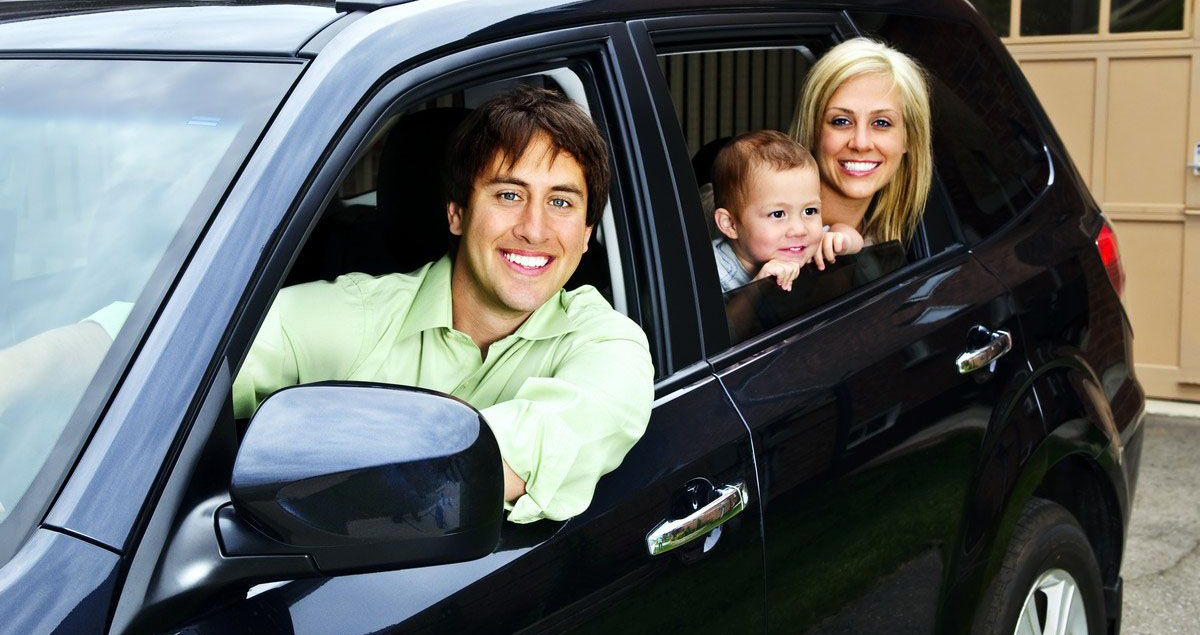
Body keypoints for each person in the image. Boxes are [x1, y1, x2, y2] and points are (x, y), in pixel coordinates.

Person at [232, 87, 653, 524]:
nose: (534, 229)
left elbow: (486, 463)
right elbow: (188, 377)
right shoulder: (354, 313)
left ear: (586, 235)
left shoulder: (609, 345)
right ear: (457, 213)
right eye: (510, 195)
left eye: (560, 202)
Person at [789, 37, 932, 256]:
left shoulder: (881, 247)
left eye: (881, 123)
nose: (860, 143)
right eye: (841, 121)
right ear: (812, 130)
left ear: (909, 139)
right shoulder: (749, 225)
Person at [709, 130, 848, 293]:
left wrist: (841, 240)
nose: (799, 230)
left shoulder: (805, 245)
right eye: (778, 214)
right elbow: (728, 319)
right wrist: (758, 288)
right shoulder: (711, 270)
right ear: (731, 225)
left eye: (809, 211)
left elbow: (854, 239)